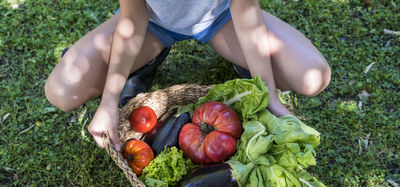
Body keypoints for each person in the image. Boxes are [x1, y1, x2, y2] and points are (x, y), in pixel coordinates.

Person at [45, 0, 331, 152]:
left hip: (222, 20)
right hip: (151, 24)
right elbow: (133, 20)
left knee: (312, 77)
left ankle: (242, 63)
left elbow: (245, 10)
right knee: (61, 91)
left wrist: (268, 95)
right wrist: (108, 102)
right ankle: (147, 59)